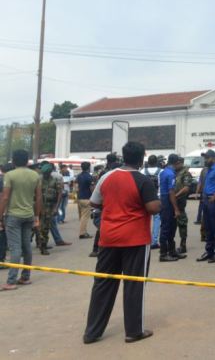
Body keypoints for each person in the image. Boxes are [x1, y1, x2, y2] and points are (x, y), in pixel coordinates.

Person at [83, 141, 160, 344]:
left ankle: (92, 332)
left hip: (108, 237)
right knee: (134, 284)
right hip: (135, 238)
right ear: (142, 157)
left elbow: (94, 202)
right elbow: (153, 208)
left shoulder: (106, 177)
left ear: (123, 157)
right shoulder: (143, 180)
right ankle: (134, 331)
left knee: (103, 283)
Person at [0, 150, 42, 290]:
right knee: (26, 247)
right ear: (27, 161)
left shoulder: (10, 175)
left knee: (15, 248)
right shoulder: (35, 175)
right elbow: (39, 198)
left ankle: (11, 281)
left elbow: (5, 197)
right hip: (29, 215)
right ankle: (25, 277)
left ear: (13, 161)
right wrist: (37, 216)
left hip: (13, 215)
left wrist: (0, 216)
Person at [157, 154, 184, 262]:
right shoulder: (170, 174)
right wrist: (176, 209)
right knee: (166, 228)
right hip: (167, 201)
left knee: (171, 226)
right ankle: (163, 254)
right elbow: (171, 192)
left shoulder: (164, 172)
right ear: (176, 163)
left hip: (164, 200)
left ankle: (172, 251)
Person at [37, 162, 63, 255]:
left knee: (45, 227)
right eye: (45, 173)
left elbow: (59, 194)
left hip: (49, 207)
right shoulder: (38, 179)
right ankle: (35, 244)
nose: (46, 175)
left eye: (47, 173)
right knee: (34, 227)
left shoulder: (55, 180)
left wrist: (56, 207)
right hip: (37, 206)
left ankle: (43, 246)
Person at [173, 157, 193, 254]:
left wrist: (175, 196)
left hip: (180, 201)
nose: (174, 165)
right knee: (171, 223)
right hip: (172, 201)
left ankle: (183, 245)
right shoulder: (173, 172)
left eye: (176, 163)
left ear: (180, 163)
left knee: (182, 223)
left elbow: (186, 188)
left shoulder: (185, 173)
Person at [141, 155, 162, 249]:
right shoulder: (161, 172)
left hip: (144, 198)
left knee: (145, 218)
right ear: (156, 162)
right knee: (157, 218)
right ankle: (154, 240)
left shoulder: (142, 172)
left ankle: (144, 239)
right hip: (157, 197)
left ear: (148, 162)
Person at [76, 162, 94, 239]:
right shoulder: (89, 177)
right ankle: (82, 233)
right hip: (86, 198)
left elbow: (76, 187)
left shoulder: (79, 176)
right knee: (85, 217)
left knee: (82, 216)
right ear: (88, 168)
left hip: (79, 197)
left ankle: (84, 231)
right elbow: (92, 188)